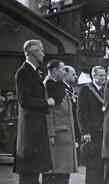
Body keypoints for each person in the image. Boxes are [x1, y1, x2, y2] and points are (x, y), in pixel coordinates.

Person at [14, 39, 56, 184]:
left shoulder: (34, 72)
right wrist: (46, 102)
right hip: (30, 133)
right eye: (41, 50)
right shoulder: (23, 72)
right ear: (32, 52)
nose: (43, 54)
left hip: (35, 131)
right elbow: (24, 101)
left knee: (33, 175)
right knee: (29, 176)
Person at [42, 60, 78, 184]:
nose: (64, 72)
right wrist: (50, 133)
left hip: (64, 134)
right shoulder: (48, 85)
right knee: (54, 173)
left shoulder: (58, 86)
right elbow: (48, 112)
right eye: (62, 69)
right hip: (57, 135)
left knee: (63, 174)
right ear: (55, 70)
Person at [77, 65, 106, 184]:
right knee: (92, 168)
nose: (103, 77)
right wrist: (85, 132)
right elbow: (81, 112)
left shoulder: (106, 90)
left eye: (104, 75)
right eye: (101, 75)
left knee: (102, 167)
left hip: (104, 133)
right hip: (92, 134)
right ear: (93, 75)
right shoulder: (85, 90)